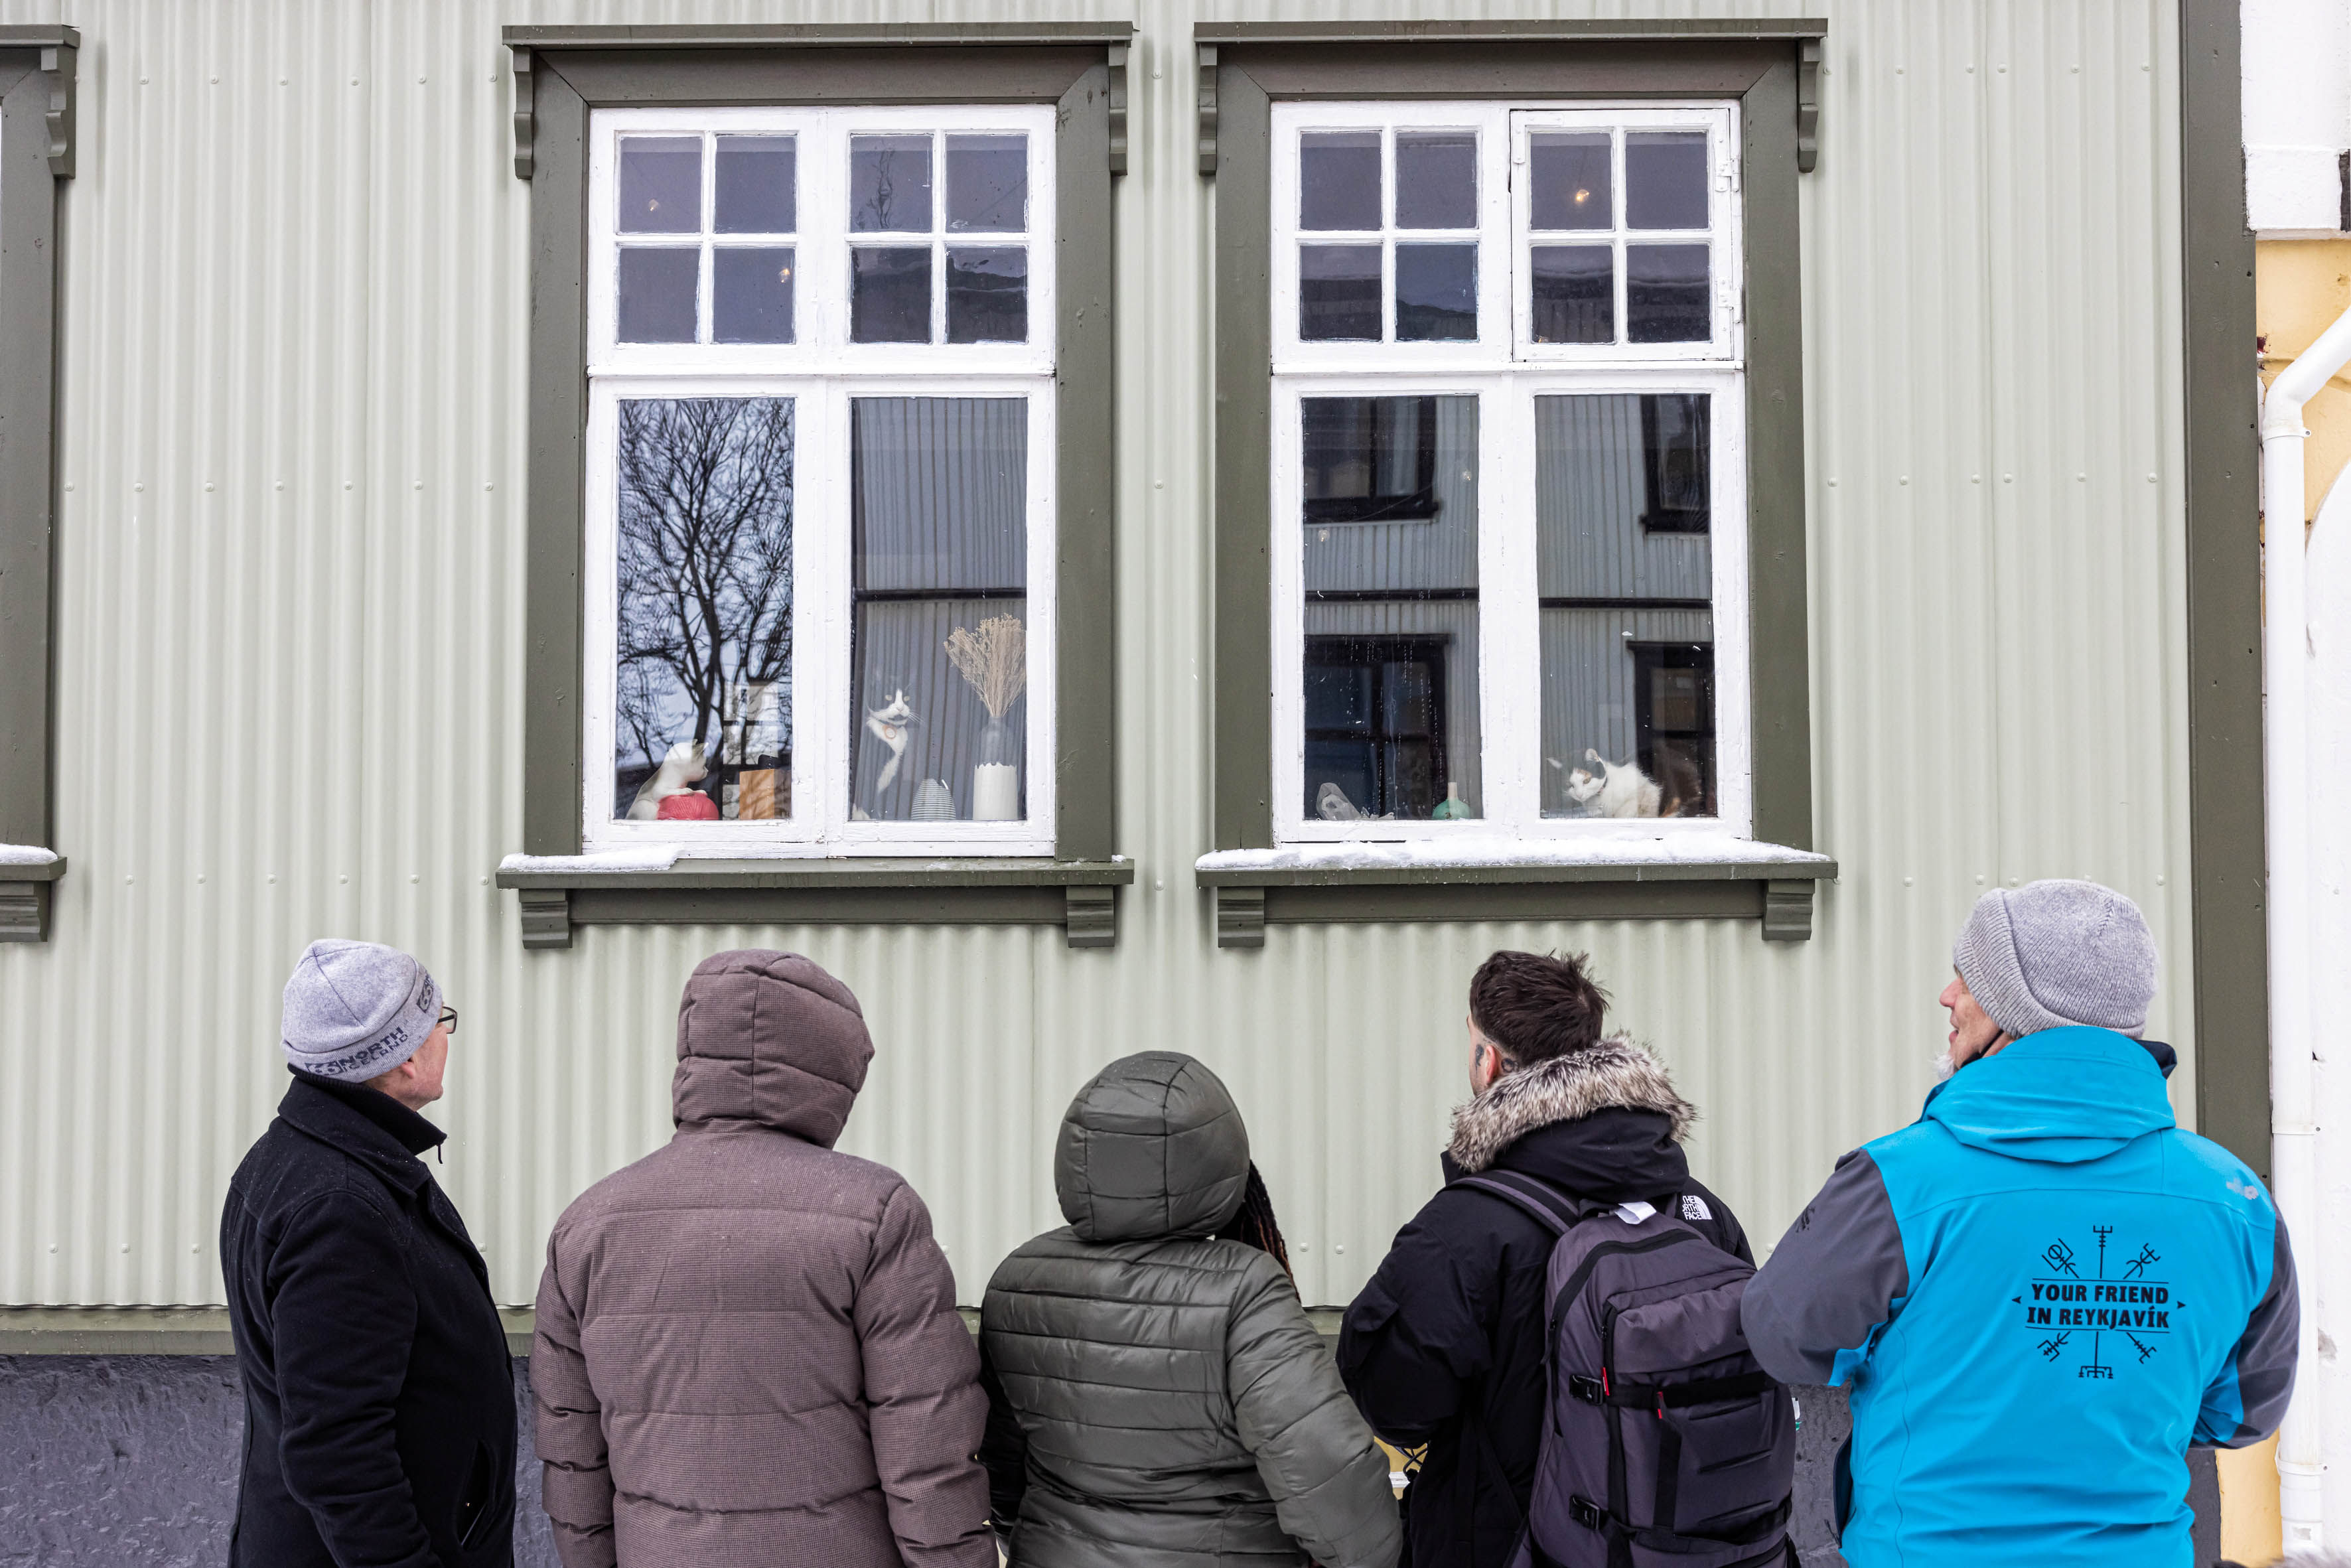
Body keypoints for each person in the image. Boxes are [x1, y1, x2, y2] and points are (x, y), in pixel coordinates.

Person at [1742, 879, 2299, 1567]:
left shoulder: (1899, 1181)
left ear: (2015, 1010)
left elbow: (1781, 1335)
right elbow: (2240, 1413)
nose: (1948, 996)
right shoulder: (2235, 1200)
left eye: (1968, 977)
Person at [532, 950, 993, 1568]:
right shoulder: (875, 1211)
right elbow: (926, 1437)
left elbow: (571, 1443)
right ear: (831, 1071)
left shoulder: (588, 1223)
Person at [1337, 950, 1749, 1568]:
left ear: (1489, 1060)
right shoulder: (1698, 1212)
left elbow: (1394, 1403)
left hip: (1515, 1546)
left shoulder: (1464, 1229)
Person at [979, 1050, 1401, 1568]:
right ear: (1220, 1157)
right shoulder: (1243, 1288)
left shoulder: (1017, 1281)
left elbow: (1003, 1465)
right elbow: (1324, 1466)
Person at [220, 938, 516, 1568]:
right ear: (405, 1058)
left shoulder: (297, 1158)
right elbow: (338, 1452)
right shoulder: (341, 1208)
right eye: (440, 1019)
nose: (446, 1035)